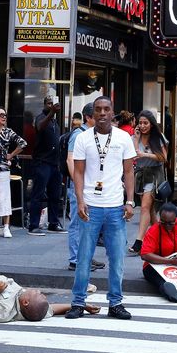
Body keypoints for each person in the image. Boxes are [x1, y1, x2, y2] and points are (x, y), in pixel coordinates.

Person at [66, 96, 138, 320]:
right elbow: (78, 172)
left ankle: (115, 303)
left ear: (112, 112)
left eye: (106, 109)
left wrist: (129, 201)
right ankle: (78, 302)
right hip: (90, 206)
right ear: (93, 114)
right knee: (84, 257)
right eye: (98, 110)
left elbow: (128, 172)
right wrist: (79, 200)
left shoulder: (123, 137)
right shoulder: (83, 138)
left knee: (117, 258)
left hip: (116, 206)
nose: (102, 113)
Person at [65, 103, 107, 273]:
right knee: (77, 223)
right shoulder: (78, 135)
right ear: (89, 117)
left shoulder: (91, 134)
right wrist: (78, 185)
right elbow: (70, 160)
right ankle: (75, 259)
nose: (101, 117)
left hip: (89, 185)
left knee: (86, 223)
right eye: (97, 114)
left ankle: (84, 256)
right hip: (79, 186)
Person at [129, 110, 169, 255]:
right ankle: (161, 239)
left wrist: (145, 154)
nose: (143, 125)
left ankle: (139, 242)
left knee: (145, 206)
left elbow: (164, 158)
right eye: (140, 123)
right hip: (140, 174)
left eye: (145, 123)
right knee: (150, 210)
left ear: (151, 124)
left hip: (154, 174)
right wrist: (135, 139)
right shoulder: (135, 137)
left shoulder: (158, 137)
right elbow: (133, 155)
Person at [29, 94, 67, 235]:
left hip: (54, 163)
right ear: (45, 105)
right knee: (38, 194)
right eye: (49, 104)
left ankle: (53, 222)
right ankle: (33, 225)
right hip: (42, 162)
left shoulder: (55, 123)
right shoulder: (41, 118)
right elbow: (39, 127)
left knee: (55, 195)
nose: (51, 106)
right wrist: (51, 113)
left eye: (53, 104)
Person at [0, 106, 27, 238]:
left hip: (3, 167)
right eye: (1, 115)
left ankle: (6, 226)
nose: (4, 117)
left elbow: (23, 143)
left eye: (5, 115)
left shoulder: (7, 132)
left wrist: (10, 155)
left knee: (4, 197)